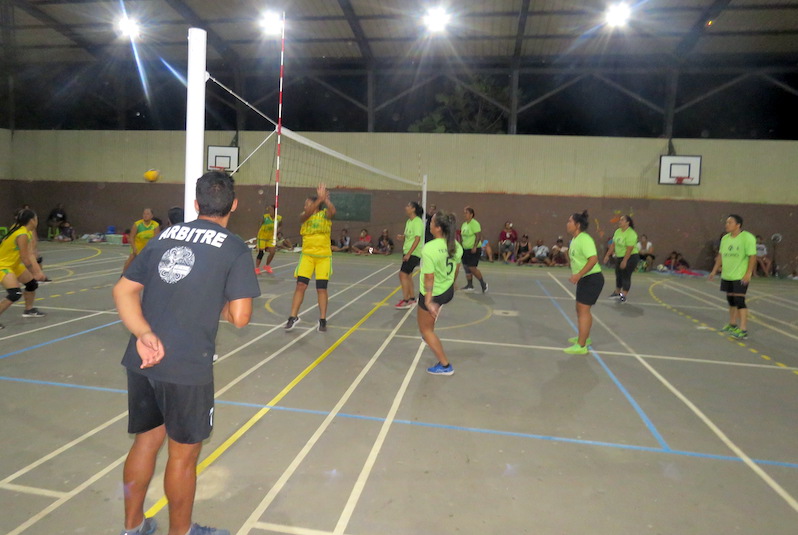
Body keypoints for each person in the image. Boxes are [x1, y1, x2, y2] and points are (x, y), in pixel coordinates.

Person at [113, 171, 259, 535]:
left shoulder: (164, 235)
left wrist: (144, 332)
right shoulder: (235, 248)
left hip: (144, 357)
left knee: (146, 441)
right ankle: (182, 532)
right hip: (186, 368)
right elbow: (241, 317)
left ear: (196, 204)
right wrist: (220, 306)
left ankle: (133, 527)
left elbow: (123, 291)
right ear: (234, 205)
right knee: (183, 456)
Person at [285, 183, 336, 332]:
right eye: (307, 204)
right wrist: (319, 200)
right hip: (307, 256)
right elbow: (306, 213)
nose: (307, 207)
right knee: (301, 285)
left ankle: (322, 319)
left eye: (309, 204)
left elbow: (332, 210)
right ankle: (293, 316)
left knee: (321, 288)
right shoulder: (304, 217)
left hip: (323, 257)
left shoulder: (325, 215)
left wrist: (324, 200)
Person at [418, 211, 463, 375]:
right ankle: (429, 333)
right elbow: (456, 269)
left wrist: (429, 300)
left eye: (431, 222)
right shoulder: (456, 246)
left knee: (425, 330)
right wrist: (452, 284)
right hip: (447, 291)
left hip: (434, 293)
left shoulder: (430, 248)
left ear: (437, 228)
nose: (429, 224)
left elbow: (429, 277)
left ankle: (445, 366)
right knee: (427, 327)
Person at [709, 214, 757, 340]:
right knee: (730, 300)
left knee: (740, 301)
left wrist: (748, 273)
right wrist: (714, 271)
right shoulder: (725, 238)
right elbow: (720, 256)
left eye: (729, 222)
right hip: (727, 275)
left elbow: (752, 256)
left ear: (738, 225)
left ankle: (743, 329)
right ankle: (732, 324)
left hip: (740, 275)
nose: (726, 225)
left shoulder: (747, 238)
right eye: (726, 222)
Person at [564, 210, 604, 355]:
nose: (567, 224)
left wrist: (579, 274)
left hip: (592, 278)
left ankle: (581, 346)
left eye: (570, 221)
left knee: (584, 309)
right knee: (579, 308)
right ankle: (584, 337)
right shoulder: (575, 239)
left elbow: (593, 259)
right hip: (584, 278)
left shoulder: (584, 239)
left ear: (578, 225)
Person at [0, 209, 48, 328]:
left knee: (31, 284)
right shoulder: (21, 234)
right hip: (3, 266)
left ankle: (29, 310)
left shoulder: (26, 232)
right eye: (36, 218)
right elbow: (25, 257)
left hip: (13, 265)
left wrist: (38, 273)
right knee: (15, 293)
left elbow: (31, 254)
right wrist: (35, 272)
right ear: (32, 220)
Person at [395, 201, 425, 309]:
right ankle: (412, 298)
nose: (406, 207)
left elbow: (417, 239)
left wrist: (409, 253)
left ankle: (406, 300)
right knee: (408, 276)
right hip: (408, 252)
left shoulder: (417, 222)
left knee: (402, 274)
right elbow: (410, 237)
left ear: (413, 209)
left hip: (413, 253)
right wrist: (403, 237)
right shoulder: (409, 222)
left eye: (408, 206)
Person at [603, 214, 639, 303]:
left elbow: (629, 249)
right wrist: (607, 255)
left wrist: (625, 260)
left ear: (627, 222)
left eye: (622, 220)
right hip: (620, 256)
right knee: (618, 274)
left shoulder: (631, 233)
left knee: (626, 276)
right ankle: (617, 292)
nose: (620, 221)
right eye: (620, 220)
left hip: (630, 257)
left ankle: (623, 296)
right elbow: (613, 245)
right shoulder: (618, 231)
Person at [459, 206, 487, 293]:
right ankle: (470, 285)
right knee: (466, 267)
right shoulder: (464, 224)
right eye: (464, 213)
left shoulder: (475, 224)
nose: (465, 215)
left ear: (471, 214)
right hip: (465, 249)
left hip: (473, 249)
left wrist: (475, 246)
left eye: (466, 213)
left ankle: (483, 284)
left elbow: (478, 236)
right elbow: (462, 236)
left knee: (472, 267)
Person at [255, 205, 282, 275]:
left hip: (270, 237)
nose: (270, 211)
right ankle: (257, 268)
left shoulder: (279, 218)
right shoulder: (265, 217)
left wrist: (277, 231)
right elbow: (259, 225)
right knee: (261, 252)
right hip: (262, 237)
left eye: (271, 210)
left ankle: (267, 266)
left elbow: (280, 226)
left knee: (273, 252)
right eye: (269, 210)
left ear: (275, 211)